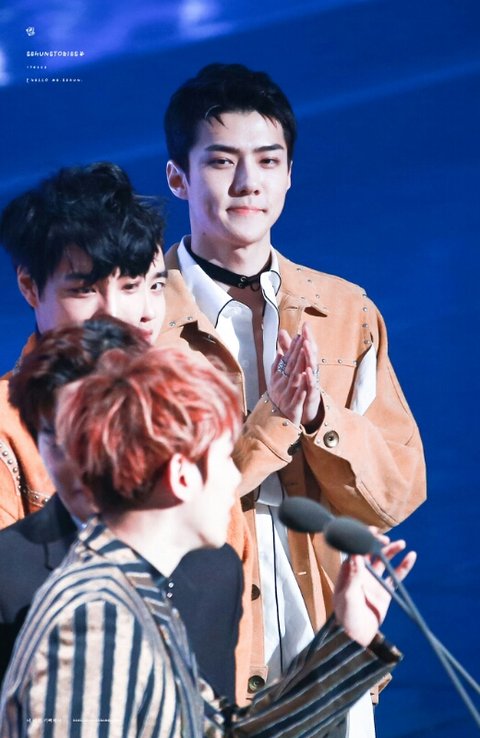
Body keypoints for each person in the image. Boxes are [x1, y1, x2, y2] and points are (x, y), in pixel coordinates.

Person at [159, 62, 427, 722]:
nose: (248, 182)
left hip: (331, 638)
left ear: (288, 175)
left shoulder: (345, 311)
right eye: (221, 161)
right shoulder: (143, 320)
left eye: (268, 160)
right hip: (195, 656)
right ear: (178, 177)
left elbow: (397, 492)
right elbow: (147, 512)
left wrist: (317, 416)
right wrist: (275, 420)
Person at [0, 345, 416, 738]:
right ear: (181, 475)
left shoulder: (134, 595)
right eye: (223, 457)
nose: (235, 476)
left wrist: (348, 637)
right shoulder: (91, 620)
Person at [0, 317, 243, 701]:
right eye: (57, 437)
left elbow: (217, 718)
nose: (82, 457)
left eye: (98, 431)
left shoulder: (218, 567)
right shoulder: (8, 571)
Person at [0, 161, 167, 527]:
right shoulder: (6, 428)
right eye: (85, 290)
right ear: (29, 287)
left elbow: (230, 554)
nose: (115, 314)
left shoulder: (181, 410)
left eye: (131, 286)